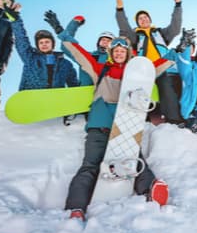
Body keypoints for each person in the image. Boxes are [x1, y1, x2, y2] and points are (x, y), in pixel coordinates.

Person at [60, 21, 168, 220]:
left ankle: (150, 189)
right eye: (115, 50)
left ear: (128, 53)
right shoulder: (99, 69)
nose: (119, 53)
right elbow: (77, 53)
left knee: (136, 160)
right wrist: (67, 32)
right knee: (89, 165)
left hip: (125, 127)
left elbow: (156, 67)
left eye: (122, 50)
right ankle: (76, 208)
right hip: (99, 126)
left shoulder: (136, 75)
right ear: (110, 52)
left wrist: (174, 55)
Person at [115, 0, 183, 124]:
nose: (143, 19)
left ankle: (173, 121)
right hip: (145, 69)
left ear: (150, 19)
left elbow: (175, 27)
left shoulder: (160, 33)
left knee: (167, 89)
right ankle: (138, 119)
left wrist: (178, 6)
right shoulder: (136, 36)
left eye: (145, 17)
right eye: (140, 19)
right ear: (138, 23)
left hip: (162, 67)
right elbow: (124, 26)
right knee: (139, 91)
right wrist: (120, 10)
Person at [2, 6, 78, 90]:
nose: (44, 44)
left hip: (56, 99)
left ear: (52, 44)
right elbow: (22, 41)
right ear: (38, 46)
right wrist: (16, 21)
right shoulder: (30, 58)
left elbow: (74, 85)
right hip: (33, 98)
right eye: (41, 43)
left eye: (47, 42)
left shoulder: (65, 64)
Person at [44, 10, 114, 86]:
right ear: (98, 42)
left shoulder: (116, 57)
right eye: (103, 39)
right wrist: (61, 28)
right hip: (85, 92)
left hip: (108, 92)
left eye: (109, 41)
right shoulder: (89, 56)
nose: (105, 42)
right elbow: (69, 47)